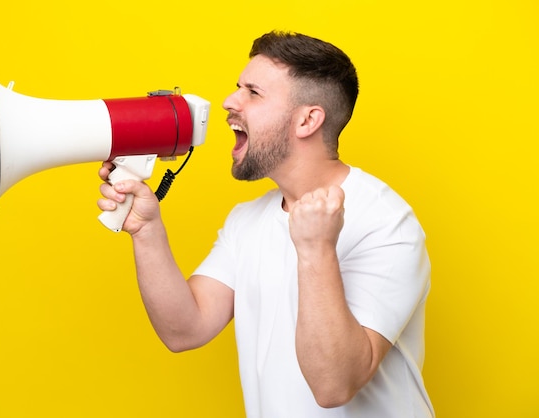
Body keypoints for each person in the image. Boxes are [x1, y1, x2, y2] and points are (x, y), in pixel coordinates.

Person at [97, 30, 434, 418]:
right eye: (237, 87)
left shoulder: (387, 224)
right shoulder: (248, 220)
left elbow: (333, 385)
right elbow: (184, 329)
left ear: (308, 120)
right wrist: (146, 230)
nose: (229, 102)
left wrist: (315, 249)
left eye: (253, 93)